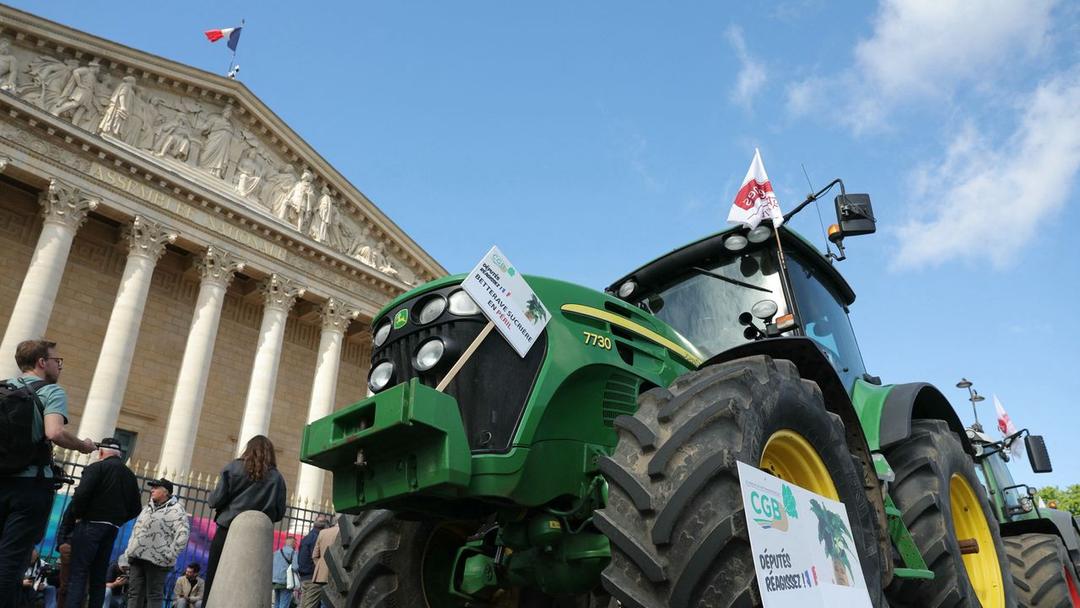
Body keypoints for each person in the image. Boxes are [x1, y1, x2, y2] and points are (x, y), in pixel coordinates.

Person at [0, 339, 95, 608]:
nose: (59, 366)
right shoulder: (50, 391)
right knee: (11, 560)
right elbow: (54, 432)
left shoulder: (3, 388)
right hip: (30, 487)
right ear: (42, 362)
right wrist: (82, 445)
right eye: (57, 361)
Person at [204, 435, 287, 600]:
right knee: (249, 586)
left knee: (214, 580)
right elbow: (279, 512)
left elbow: (215, 500)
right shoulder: (277, 478)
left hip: (227, 530)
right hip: (257, 538)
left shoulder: (233, 468)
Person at [63, 438, 142, 608]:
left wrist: (79, 515)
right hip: (111, 529)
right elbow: (136, 508)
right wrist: (117, 521)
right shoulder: (129, 476)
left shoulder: (97, 467)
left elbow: (81, 495)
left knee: (79, 573)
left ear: (100, 452)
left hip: (89, 525)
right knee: (99, 576)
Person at [123, 479, 189, 608]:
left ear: (165, 492)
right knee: (134, 594)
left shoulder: (177, 510)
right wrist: (129, 550)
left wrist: (169, 554)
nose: (151, 490)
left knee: (154, 595)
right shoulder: (147, 508)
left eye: (155, 488)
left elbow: (183, 535)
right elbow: (136, 529)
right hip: (137, 557)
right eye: (152, 487)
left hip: (158, 561)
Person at [303, 518, 338, 608]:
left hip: (321, 575)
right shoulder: (342, 532)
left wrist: (322, 566)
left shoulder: (323, 533)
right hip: (338, 574)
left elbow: (314, 555)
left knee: (323, 601)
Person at [295, 516, 326, 602]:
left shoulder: (306, 538)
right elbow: (315, 557)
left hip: (304, 575)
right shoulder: (316, 538)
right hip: (312, 576)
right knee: (310, 604)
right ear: (324, 526)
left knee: (303, 603)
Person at [272, 537, 299, 608]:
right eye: (295, 543)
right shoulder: (293, 553)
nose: (296, 545)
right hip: (285, 581)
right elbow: (295, 567)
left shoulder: (276, 552)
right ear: (293, 543)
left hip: (275, 581)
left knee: (277, 602)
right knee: (284, 604)